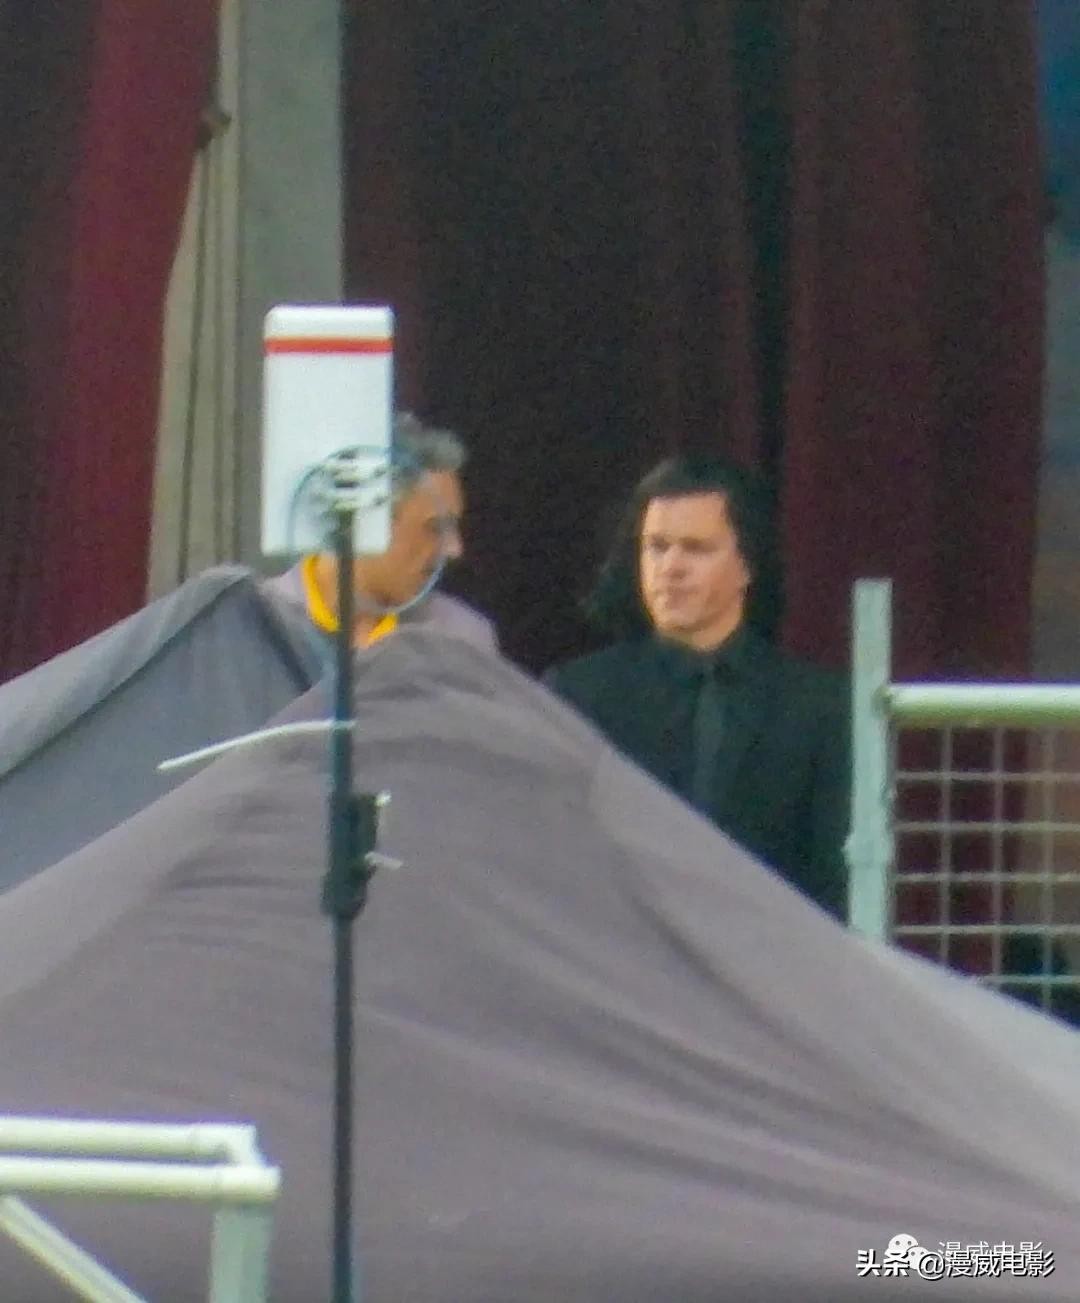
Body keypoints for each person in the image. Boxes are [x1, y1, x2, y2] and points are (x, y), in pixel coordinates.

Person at [544, 455, 849, 918]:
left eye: (696, 548)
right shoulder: (579, 694)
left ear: (747, 565)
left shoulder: (816, 706)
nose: (670, 567)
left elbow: (830, 885)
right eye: (656, 547)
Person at [264, 412, 497, 656]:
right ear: (369, 519)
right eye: (435, 527)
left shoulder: (462, 639)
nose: (454, 549)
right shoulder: (259, 626)